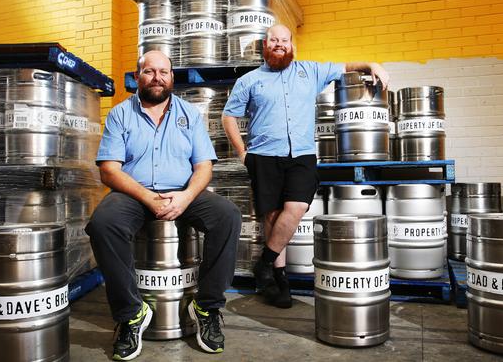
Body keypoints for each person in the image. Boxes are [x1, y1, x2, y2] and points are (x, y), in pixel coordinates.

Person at [85, 50, 241, 360]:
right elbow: (109, 170)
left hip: (183, 192)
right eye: (149, 71)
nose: (157, 77)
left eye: (164, 72)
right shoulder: (120, 114)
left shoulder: (189, 115)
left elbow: (204, 167)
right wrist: (147, 197)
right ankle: (131, 313)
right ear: (137, 76)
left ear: (171, 78)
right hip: (133, 193)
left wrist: (184, 197)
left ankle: (206, 307)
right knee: (103, 224)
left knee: (228, 216)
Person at [221, 24, 390, 308]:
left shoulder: (310, 71)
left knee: (297, 207)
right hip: (263, 156)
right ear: (266, 45)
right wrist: (243, 154)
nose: (279, 44)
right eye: (273, 40)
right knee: (273, 216)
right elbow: (229, 117)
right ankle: (279, 278)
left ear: (291, 45)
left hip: (301, 155)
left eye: (284, 40)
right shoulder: (249, 81)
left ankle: (264, 263)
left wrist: (372, 64)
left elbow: (347, 66)